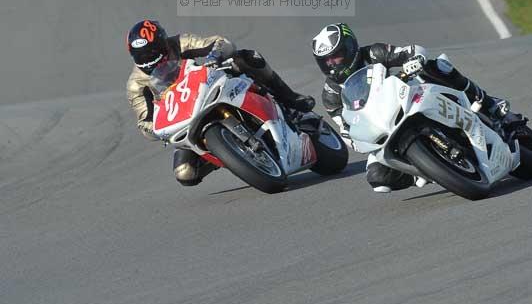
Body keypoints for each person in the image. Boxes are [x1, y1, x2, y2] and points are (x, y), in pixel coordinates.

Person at [312, 22, 512, 194]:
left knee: (438, 67)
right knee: (377, 177)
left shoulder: (373, 53)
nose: (331, 64)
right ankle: (426, 169)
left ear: (350, 47)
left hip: (407, 97)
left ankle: (488, 103)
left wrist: (414, 60)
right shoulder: (330, 95)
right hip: (381, 126)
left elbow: (411, 51)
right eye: (326, 60)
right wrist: (358, 139)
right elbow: (345, 129)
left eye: (335, 56)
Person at [126, 19, 315, 187]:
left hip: (207, 86)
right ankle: (233, 155)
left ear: (163, 43)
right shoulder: (136, 84)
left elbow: (221, 42)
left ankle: (288, 97)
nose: (148, 59)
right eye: (141, 56)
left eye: (152, 51)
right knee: (185, 173)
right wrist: (158, 131)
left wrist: (214, 56)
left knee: (246, 58)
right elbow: (145, 122)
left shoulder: (179, 43)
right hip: (184, 117)